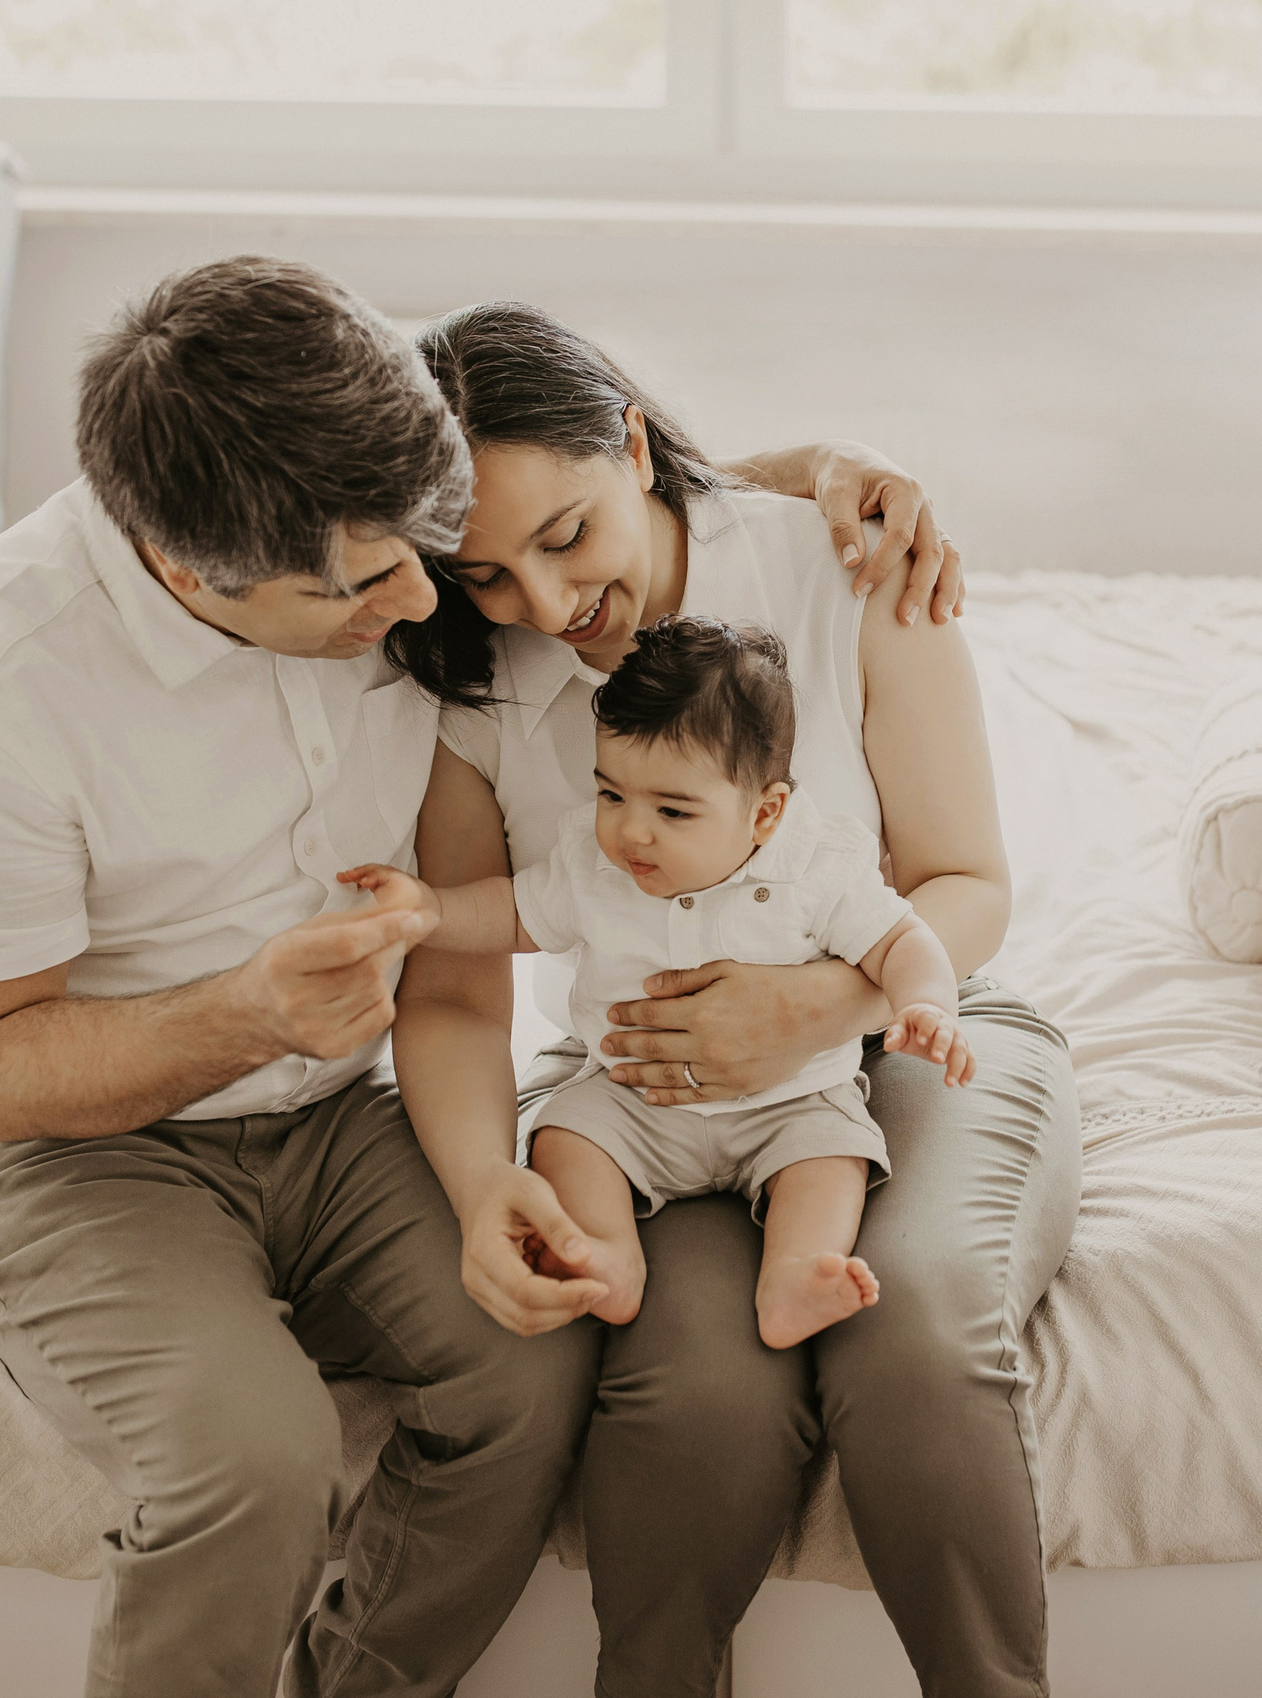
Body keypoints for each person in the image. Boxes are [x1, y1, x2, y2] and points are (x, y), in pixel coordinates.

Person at [0, 255, 959, 1698]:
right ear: (194, 575)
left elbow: (587, 487)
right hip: (75, 1143)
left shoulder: (387, 520)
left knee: (531, 1359)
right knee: (255, 1460)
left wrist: (825, 475)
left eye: (435, 549)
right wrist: (243, 1010)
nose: (445, 599)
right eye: (372, 583)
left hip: (334, 1110)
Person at [384, 302, 1083, 1697]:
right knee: (692, 1397)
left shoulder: (844, 567)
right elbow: (458, 988)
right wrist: (481, 1188)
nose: (546, 603)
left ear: (632, 445)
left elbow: (964, 878)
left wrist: (819, 1006)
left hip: (922, 1027)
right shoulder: (475, 683)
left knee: (916, 1345)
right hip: (652, 1098)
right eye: (490, 573)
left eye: (570, 534)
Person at [344, 615, 973, 1350]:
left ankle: (796, 1274)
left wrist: (928, 1002)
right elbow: (514, 913)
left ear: (765, 812)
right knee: (564, 1134)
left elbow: (903, 940)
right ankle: (607, 1253)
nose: (631, 833)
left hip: (791, 1098)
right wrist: (431, 909)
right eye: (613, 795)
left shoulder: (817, 864)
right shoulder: (593, 859)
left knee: (833, 1155)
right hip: (633, 1095)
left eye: (672, 810)